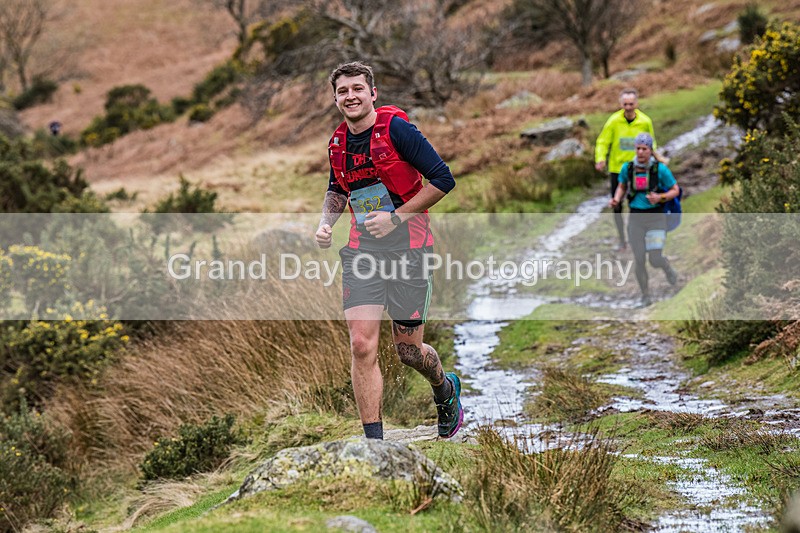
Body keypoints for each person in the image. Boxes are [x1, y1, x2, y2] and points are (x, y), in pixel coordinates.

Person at [314, 61, 462, 440]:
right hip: (363, 252)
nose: (351, 96)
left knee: (409, 352)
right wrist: (327, 222)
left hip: (410, 249)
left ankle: (445, 389)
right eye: (343, 91)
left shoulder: (396, 129)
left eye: (357, 89)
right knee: (361, 344)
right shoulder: (337, 144)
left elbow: (443, 180)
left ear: (372, 93)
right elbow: (338, 190)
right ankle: (374, 446)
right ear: (335, 99)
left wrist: (395, 217)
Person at [610, 133, 679, 307]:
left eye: (644, 149)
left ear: (650, 150)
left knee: (654, 259)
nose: (640, 152)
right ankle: (645, 295)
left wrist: (661, 197)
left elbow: (675, 190)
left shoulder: (660, 170)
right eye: (638, 148)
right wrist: (616, 199)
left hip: (656, 218)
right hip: (636, 218)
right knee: (639, 258)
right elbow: (621, 186)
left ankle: (666, 266)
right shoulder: (628, 168)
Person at [595, 88, 657, 251]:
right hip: (617, 169)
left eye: (631, 104)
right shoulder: (613, 121)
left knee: (637, 203)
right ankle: (622, 240)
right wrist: (600, 158)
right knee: (617, 205)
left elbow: (652, 143)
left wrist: (655, 161)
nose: (628, 107)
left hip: (638, 170)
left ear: (636, 103)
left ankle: (637, 237)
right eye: (625, 104)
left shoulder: (645, 121)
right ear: (620, 104)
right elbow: (603, 141)